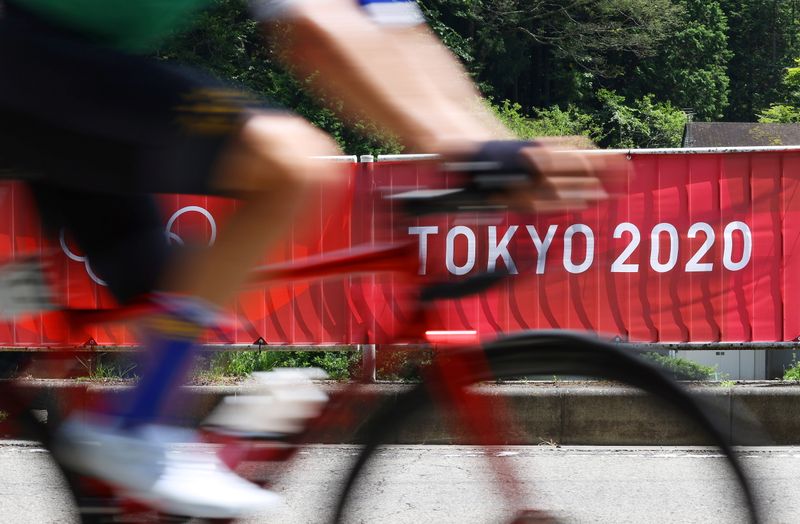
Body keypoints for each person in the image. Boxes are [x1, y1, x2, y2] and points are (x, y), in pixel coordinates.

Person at [0, 0, 617, 518]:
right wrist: (458, 148)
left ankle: (148, 454)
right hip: (32, 59)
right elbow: (317, 30)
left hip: (69, 67)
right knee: (292, 163)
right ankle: (135, 424)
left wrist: (494, 143)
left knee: (173, 293)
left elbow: (400, 31)